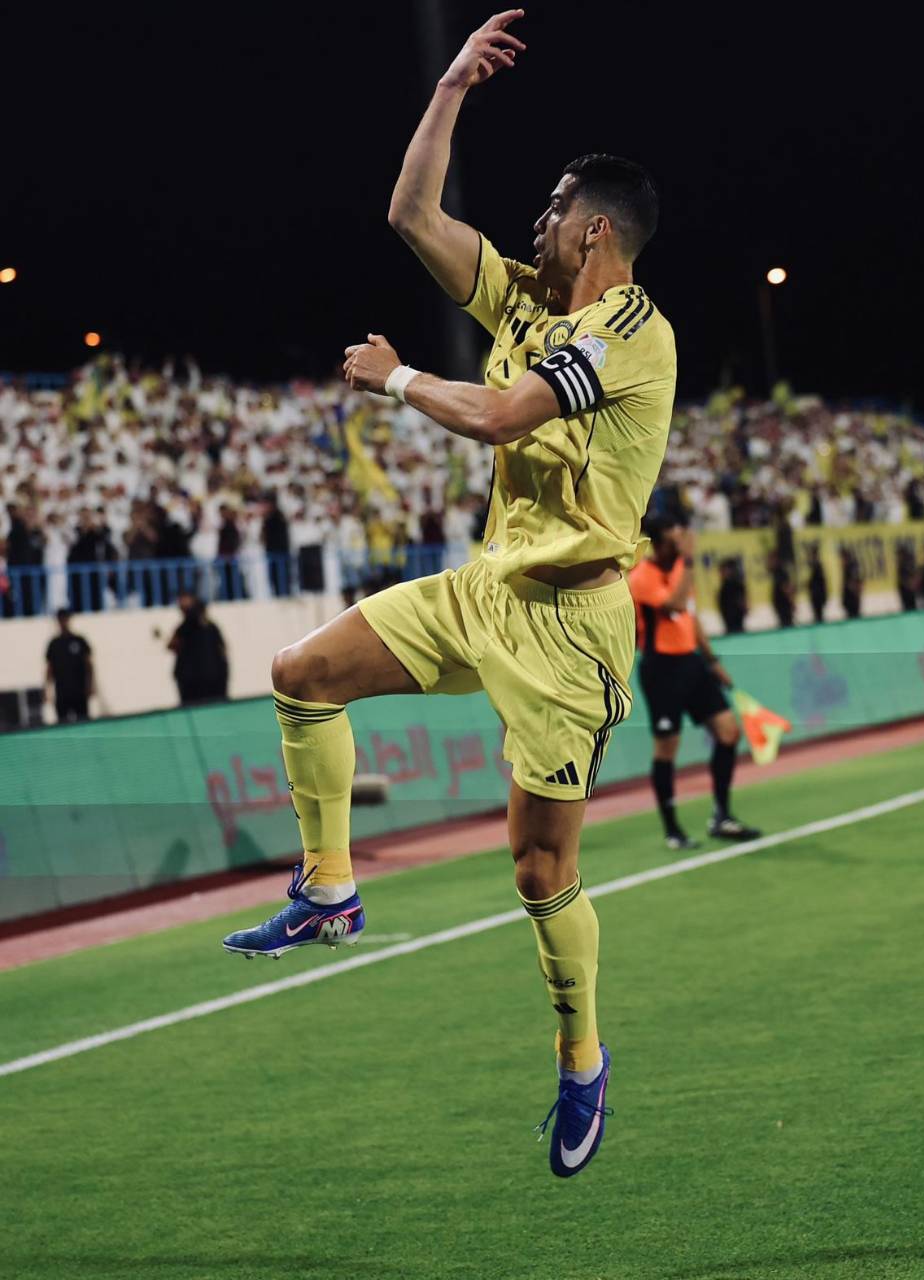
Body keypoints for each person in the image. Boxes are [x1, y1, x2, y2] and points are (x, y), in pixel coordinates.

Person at [223, 8, 676, 1180]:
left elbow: (500, 413)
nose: (531, 226)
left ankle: (582, 1058)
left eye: (548, 213)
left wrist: (396, 377)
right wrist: (452, 89)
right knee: (302, 674)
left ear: (591, 229)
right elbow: (411, 215)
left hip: (570, 630)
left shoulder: (633, 333)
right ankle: (329, 890)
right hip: (485, 588)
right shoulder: (529, 298)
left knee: (538, 869)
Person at [629, 518, 761, 852]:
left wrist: (712, 660)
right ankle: (672, 829)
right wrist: (687, 561)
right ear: (659, 542)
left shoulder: (680, 570)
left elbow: (689, 615)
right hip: (661, 668)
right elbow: (672, 604)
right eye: (676, 537)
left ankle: (721, 816)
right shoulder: (642, 577)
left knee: (729, 731)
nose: (683, 541)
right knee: (667, 747)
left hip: (691, 662)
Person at [168, 593, 229, 706]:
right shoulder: (206, 627)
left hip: (202, 685)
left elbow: (172, 645)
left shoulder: (199, 627)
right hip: (201, 684)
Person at [45, 610, 94, 723]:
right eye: (60, 620)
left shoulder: (79, 640)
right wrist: (47, 690)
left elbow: (89, 665)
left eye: (65, 619)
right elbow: (49, 668)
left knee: (83, 723)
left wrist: (90, 685)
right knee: (63, 724)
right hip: (62, 693)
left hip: (79, 691)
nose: (63, 622)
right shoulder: (54, 644)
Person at [717, 557, 748, 634]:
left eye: (723, 570)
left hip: (736, 623)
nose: (721, 573)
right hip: (729, 624)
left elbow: (744, 604)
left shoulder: (736, 586)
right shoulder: (724, 587)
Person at [769, 549, 795, 628]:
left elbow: (787, 588)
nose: (770, 562)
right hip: (781, 606)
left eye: (771, 559)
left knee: (787, 624)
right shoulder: (776, 572)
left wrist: (791, 601)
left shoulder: (780, 572)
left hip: (784, 606)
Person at [806, 544, 827, 624]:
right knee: (817, 614)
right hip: (815, 594)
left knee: (819, 614)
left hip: (818, 594)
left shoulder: (817, 566)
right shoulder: (813, 565)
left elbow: (821, 581)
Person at [840, 547, 863, 619]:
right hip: (850, 599)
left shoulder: (851, 567)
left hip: (852, 599)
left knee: (854, 616)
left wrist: (855, 590)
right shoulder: (846, 568)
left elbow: (856, 582)